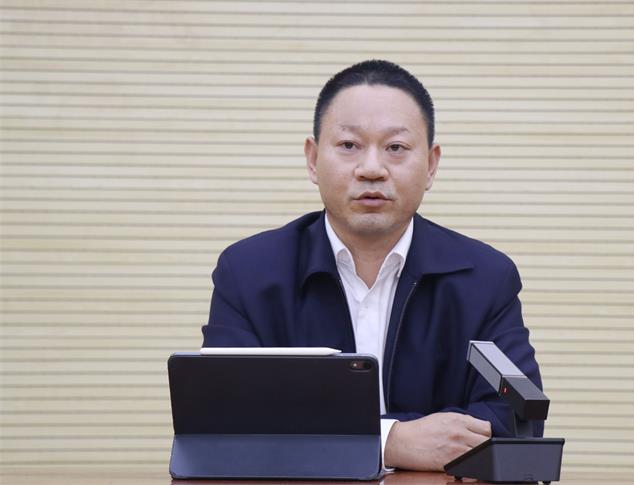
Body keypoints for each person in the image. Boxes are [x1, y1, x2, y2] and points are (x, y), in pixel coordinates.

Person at [201, 59, 544, 471]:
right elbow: (221, 426)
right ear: (312, 159)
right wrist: (390, 441)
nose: (371, 169)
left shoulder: (486, 279)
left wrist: (316, 435)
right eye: (349, 145)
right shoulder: (248, 273)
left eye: (395, 148)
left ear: (431, 164)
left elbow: (516, 426)